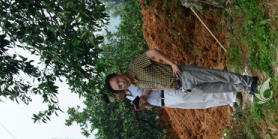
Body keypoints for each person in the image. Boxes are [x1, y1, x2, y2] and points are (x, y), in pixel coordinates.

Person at [104, 48, 258, 103]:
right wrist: (163, 87)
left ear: (118, 74)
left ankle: (250, 82)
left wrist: (171, 64)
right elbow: (155, 87)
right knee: (216, 87)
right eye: (119, 86)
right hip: (181, 87)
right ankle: (245, 88)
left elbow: (152, 52)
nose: (122, 83)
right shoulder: (137, 85)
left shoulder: (134, 66)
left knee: (216, 76)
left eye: (118, 80)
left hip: (182, 75)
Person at [124, 83, 238, 111]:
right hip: (165, 102)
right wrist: (143, 106)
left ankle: (231, 94)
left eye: (113, 95)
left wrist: (144, 96)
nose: (116, 97)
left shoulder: (131, 84)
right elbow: (148, 103)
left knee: (199, 95)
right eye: (113, 99)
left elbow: (148, 84)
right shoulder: (129, 97)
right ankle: (227, 100)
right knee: (201, 104)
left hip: (165, 92)